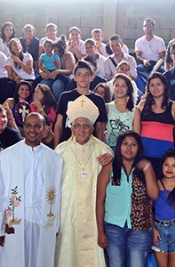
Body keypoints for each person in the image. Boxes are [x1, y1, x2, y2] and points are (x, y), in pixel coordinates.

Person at [0, 112, 63, 267]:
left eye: (37, 126)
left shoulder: (55, 159)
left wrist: (56, 225)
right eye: (28, 125)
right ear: (23, 127)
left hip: (42, 220)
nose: (32, 130)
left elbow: (59, 195)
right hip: (15, 221)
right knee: (14, 260)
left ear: (44, 129)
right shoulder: (8, 155)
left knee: (41, 261)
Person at [55, 95, 113, 267]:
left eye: (86, 125)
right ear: (71, 127)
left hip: (93, 216)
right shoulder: (60, 151)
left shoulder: (104, 151)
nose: (81, 129)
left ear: (92, 127)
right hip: (68, 214)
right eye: (77, 125)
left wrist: (111, 160)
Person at [96, 130, 158, 267]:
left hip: (139, 230)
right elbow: (100, 201)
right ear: (119, 147)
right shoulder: (109, 167)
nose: (129, 148)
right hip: (113, 227)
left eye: (133, 145)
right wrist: (100, 232)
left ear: (139, 148)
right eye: (125, 144)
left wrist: (147, 167)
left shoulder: (144, 168)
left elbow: (154, 195)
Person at [134, 72, 175, 176]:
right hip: (144, 156)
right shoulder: (142, 105)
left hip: (166, 158)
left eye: (158, 84)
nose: (155, 88)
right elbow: (136, 132)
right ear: (148, 88)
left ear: (164, 86)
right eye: (152, 85)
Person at [54, 60, 107, 146]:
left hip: (90, 145)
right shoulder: (65, 97)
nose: (83, 78)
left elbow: (99, 128)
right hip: (67, 144)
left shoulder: (98, 100)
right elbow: (59, 125)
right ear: (74, 77)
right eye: (79, 74)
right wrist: (56, 147)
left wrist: (100, 149)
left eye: (86, 75)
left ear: (92, 77)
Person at [134, 18, 166, 91]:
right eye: (145, 26)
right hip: (145, 64)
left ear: (153, 27)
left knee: (164, 71)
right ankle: (145, 89)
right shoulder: (139, 41)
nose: (147, 27)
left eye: (149, 25)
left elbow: (162, 56)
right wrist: (144, 61)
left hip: (157, 63)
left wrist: (157, 65)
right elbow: (138, 55)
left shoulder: (159, 41)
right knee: (138, 69)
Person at [106, 74, 136, 149]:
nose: (120, 88)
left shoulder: (135, 110)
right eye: (117, 85)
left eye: (123, 86)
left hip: (127, 150)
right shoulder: (107, 107)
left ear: (128, 88)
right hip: (108, 148)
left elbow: (136, 136)